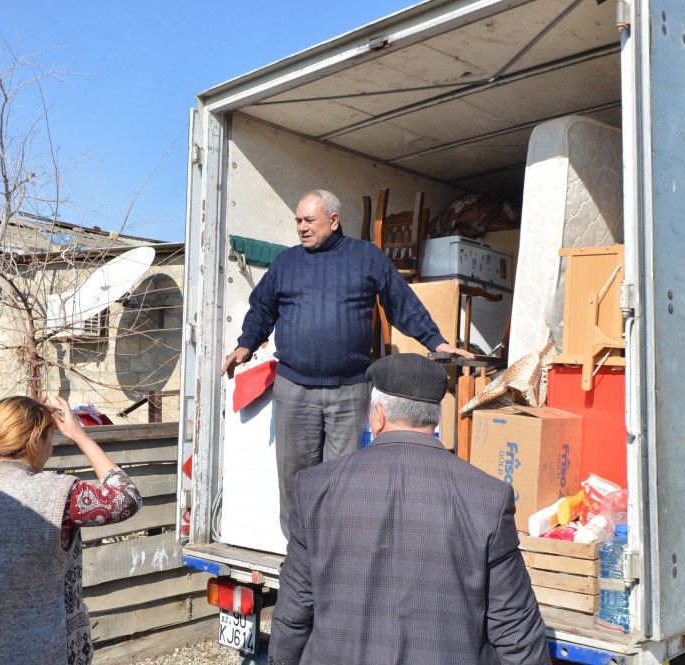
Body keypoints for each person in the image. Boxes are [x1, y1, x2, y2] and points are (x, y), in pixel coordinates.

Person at [269, 353, 551, 665]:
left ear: (377, 416)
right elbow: (515, 629)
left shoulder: (316, 487)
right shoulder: (487, 498)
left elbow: (294, 613)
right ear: (437, 418)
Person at [221, 189, 473, 537]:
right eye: (298, 221)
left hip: (348, 391)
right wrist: (245, 344)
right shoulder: (286, 263)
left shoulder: (366, 257)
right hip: (295, 390)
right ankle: (299, 557)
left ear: (334, 220)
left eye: (309, 220)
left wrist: (437, 340)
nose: (302, 228)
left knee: (341, 481)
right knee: (296, 481)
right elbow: (262, 308)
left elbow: (400, 302)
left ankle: (334, 554)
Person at [0, 396, 143, 665]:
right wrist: (80, 436)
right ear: (36, 441)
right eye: (50, 437)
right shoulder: (55, 494)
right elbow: (127, 497)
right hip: (34, 653)